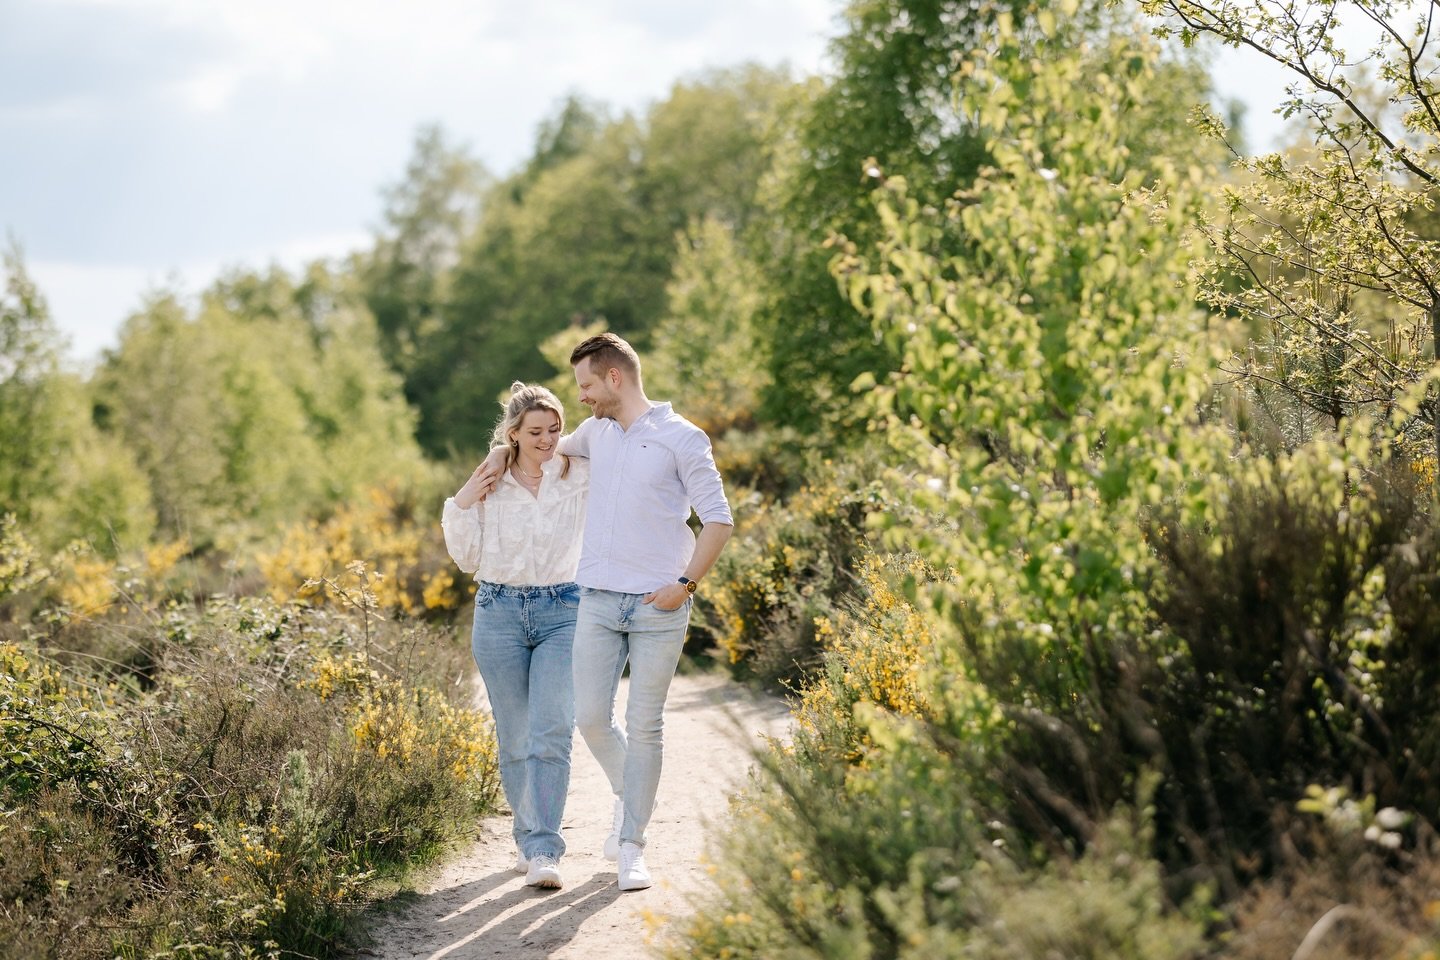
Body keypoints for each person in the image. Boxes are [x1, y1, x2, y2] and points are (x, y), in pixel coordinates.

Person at [478, 332, 733, 892]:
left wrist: (685, 585)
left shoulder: (682, 438)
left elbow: (718, 518)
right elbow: (539, 446)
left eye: (587, 385)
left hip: (657, 605)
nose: (583, 397)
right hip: (594, 601)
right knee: (590, 718)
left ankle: (632, 844)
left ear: (613, 377)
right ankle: (631, 794)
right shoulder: (595, 434)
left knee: (645, 725)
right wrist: (501, 451)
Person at [442, 382, 589, 890]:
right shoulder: (492, 478)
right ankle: (527, 837)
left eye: (555, 429)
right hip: (498, 611)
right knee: (516, 736)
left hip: (564, 610)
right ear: (514, 434)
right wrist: (463, 499)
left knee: (551, 730)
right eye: (536, 432)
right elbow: (465, 559)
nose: (548, 440)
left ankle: (544, 847)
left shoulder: (577, 472)